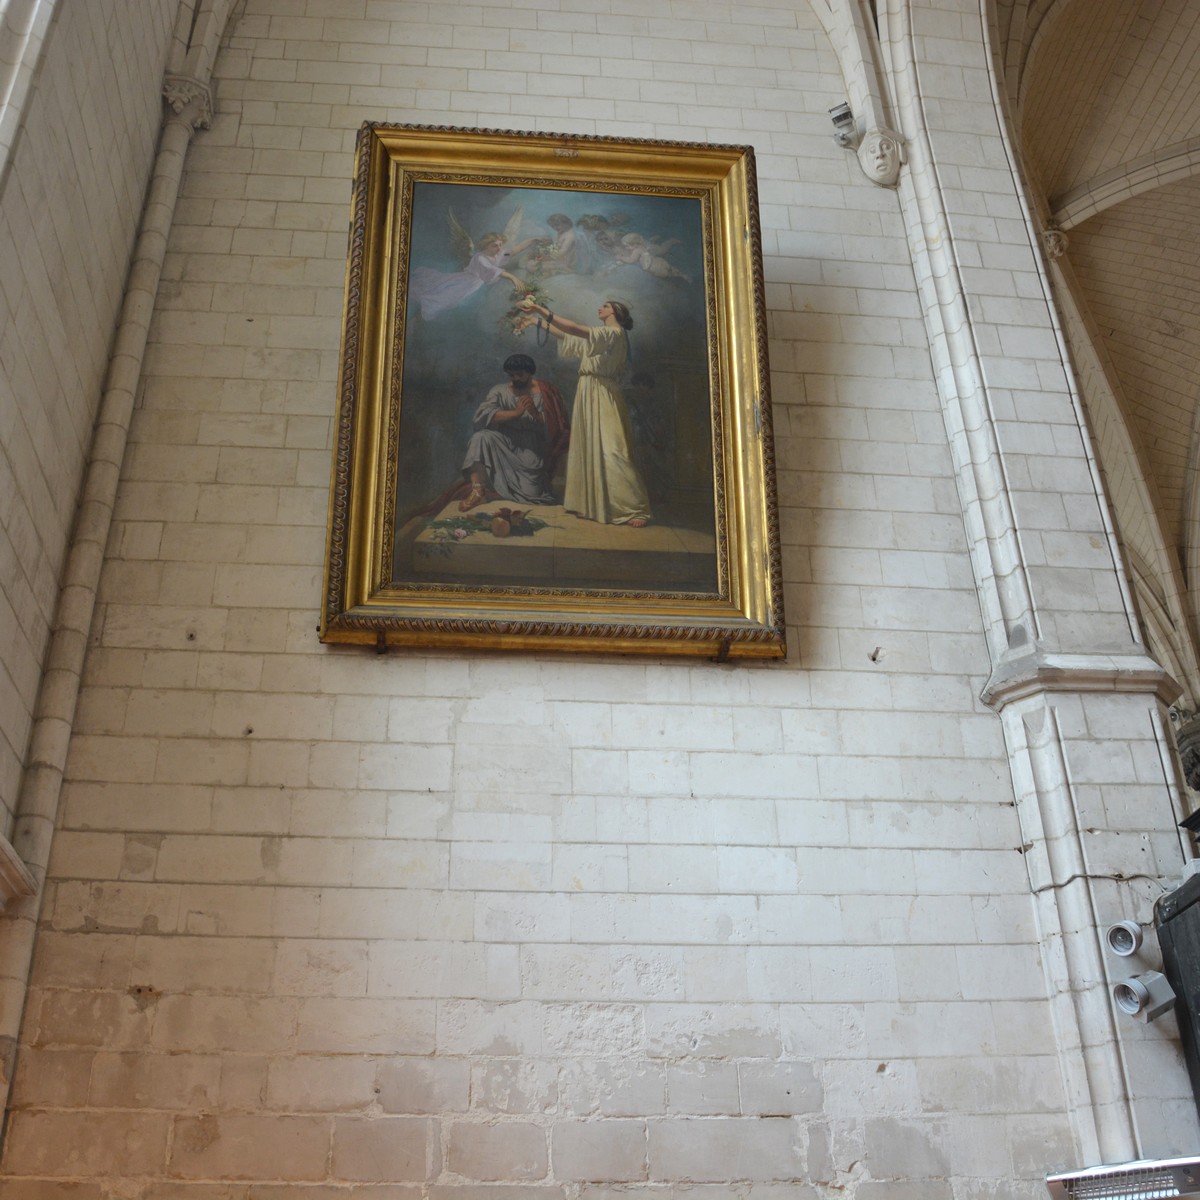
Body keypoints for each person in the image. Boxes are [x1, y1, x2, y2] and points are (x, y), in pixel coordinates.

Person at [517, 298, 651, 527]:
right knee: (589, 447)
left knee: (612, 449)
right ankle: (591, 504)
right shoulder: (600, 337)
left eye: (606, 306)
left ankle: (633, 508)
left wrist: (541, 310)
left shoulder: (614, 334)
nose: (600, 308)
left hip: (603, 391)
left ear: (616, 312)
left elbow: (575, 329)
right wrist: (535, 322)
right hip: (588, 391)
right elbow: (568, 336)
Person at [459, 354, 569, 512]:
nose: (516, 378)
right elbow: (481, 417)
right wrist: (516, 413)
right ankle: (478, 490)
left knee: (532, 495)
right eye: (512, 375)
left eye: (520, 374)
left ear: (530, 372)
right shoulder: (499, 391)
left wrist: (536, 414)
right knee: (480, 437)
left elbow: (557, 426)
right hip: (505, 442)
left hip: (532, 449)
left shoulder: (546, 392)